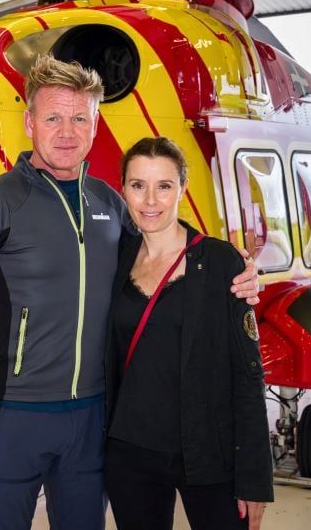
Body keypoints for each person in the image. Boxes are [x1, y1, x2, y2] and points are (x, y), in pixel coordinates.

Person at [0, 55, 260, 530]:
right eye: (53, 118)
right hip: (13, 415)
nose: (66, 131)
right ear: (29, 123)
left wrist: (230, 268)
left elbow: (162, 241)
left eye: (79, 118)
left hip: (92, 421)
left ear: (95, 125)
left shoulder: (110, 202)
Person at [104, 137, 274, 530]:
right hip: (130, 453)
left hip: (208, 452)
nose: (150, 200)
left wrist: (254, 479)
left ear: (182, 189)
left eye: (163, 186)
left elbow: (248, 376)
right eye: (137, 185)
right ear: (123, 189)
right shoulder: (116, 258)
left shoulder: (219, 262)